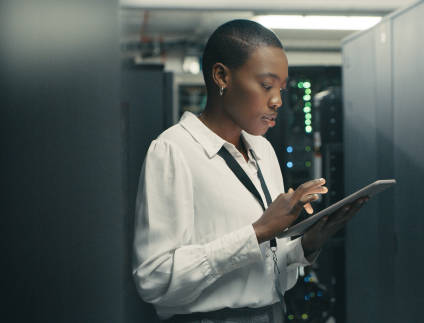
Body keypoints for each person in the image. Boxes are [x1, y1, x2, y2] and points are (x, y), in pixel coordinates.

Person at [132, 19, 367, 323]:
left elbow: (271, 274)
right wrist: (257, 232)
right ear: (221, 76)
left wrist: (306, 246)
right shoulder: (173, 151)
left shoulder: (263, 151)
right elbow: (153, 280)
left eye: (281, 89)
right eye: (267, 86)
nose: (277, 101)